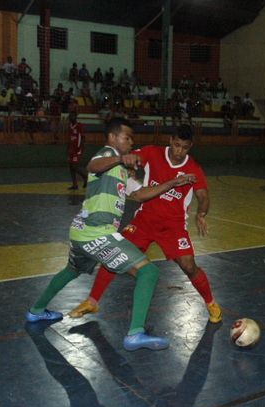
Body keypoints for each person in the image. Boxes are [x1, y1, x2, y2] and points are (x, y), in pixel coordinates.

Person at [25, 117, 197, 352]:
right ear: (113, 137)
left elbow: (141, 194)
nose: (131, 143)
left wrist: (172, 183)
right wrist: (119, 158)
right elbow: (92, 166)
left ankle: (36, 311)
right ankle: (135, 334)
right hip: (98, 233)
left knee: (71, 271)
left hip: (81, 233)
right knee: (148, 272)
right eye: (127, 138)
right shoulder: (107, 155)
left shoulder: (121, 170)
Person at [68, 125, 222, 324]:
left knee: (189, 266)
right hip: (144, 220)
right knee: (114, 255)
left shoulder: (193, 168)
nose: (179, 151)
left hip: (173, 226)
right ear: (170, 140)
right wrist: (130, 166)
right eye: (176, 145)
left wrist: (201, 213)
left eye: (184, 147)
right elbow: (133, 158)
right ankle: (92, 301)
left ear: (190, 146)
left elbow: (203, 195)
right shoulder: (152, 152)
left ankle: (211, 303)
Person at [67, 111, 88, 190]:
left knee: (74, 166)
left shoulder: (79, 126)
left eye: (72, 116)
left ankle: (85, 177)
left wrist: (81, 147)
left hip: (77, 149)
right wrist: (67, 149)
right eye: (70, 116)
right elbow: (70, 138)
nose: (71, 118)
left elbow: (83, 137)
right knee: (71, 166)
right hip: (71, 149)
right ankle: (75, 184)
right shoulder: (70, 126)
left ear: (75, 117)